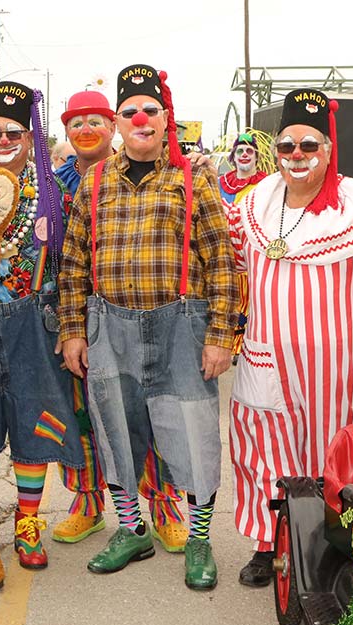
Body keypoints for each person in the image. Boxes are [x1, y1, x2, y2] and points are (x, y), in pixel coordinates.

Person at [227, 89, 353, 587]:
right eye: (287, 146)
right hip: (265, 359)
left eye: (308, 146)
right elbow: (231, 263)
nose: (296, 156)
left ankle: (340, 545)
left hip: (340, 370)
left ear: (327, 149)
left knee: (337, 456)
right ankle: (267, 544)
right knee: (264, 452)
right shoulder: (254, 202)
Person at [59, 64, 237, 590]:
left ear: (165, 120)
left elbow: (221, 262)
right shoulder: (92, 183)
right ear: (118, 121)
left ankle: (200, 540)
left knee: (193, 438)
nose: (140, 118)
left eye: (150, 110)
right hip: (107, 327)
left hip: (180, 326)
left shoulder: (194, 180)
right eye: (130, 111)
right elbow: (71, 265)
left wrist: (221, 336)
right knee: (115, 432)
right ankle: (132, 530)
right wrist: (72, 331)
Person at [0, 81, 86, 570]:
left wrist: (71, 326)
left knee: (35, 420)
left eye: (14, 131)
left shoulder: (53, 193)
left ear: (29, 138)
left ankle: (29, 521)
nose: (4, 140)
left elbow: (73, 264)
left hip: (33, 322)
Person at [219, 132, 269, 358]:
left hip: (253, 257)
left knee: (251, 304)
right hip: (223, 255)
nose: (245, 155)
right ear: (233, 156)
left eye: (250, 151)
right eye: (240, 150)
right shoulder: (221, 183)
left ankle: (245, 346)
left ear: (256, 157)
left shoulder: (267, 184)